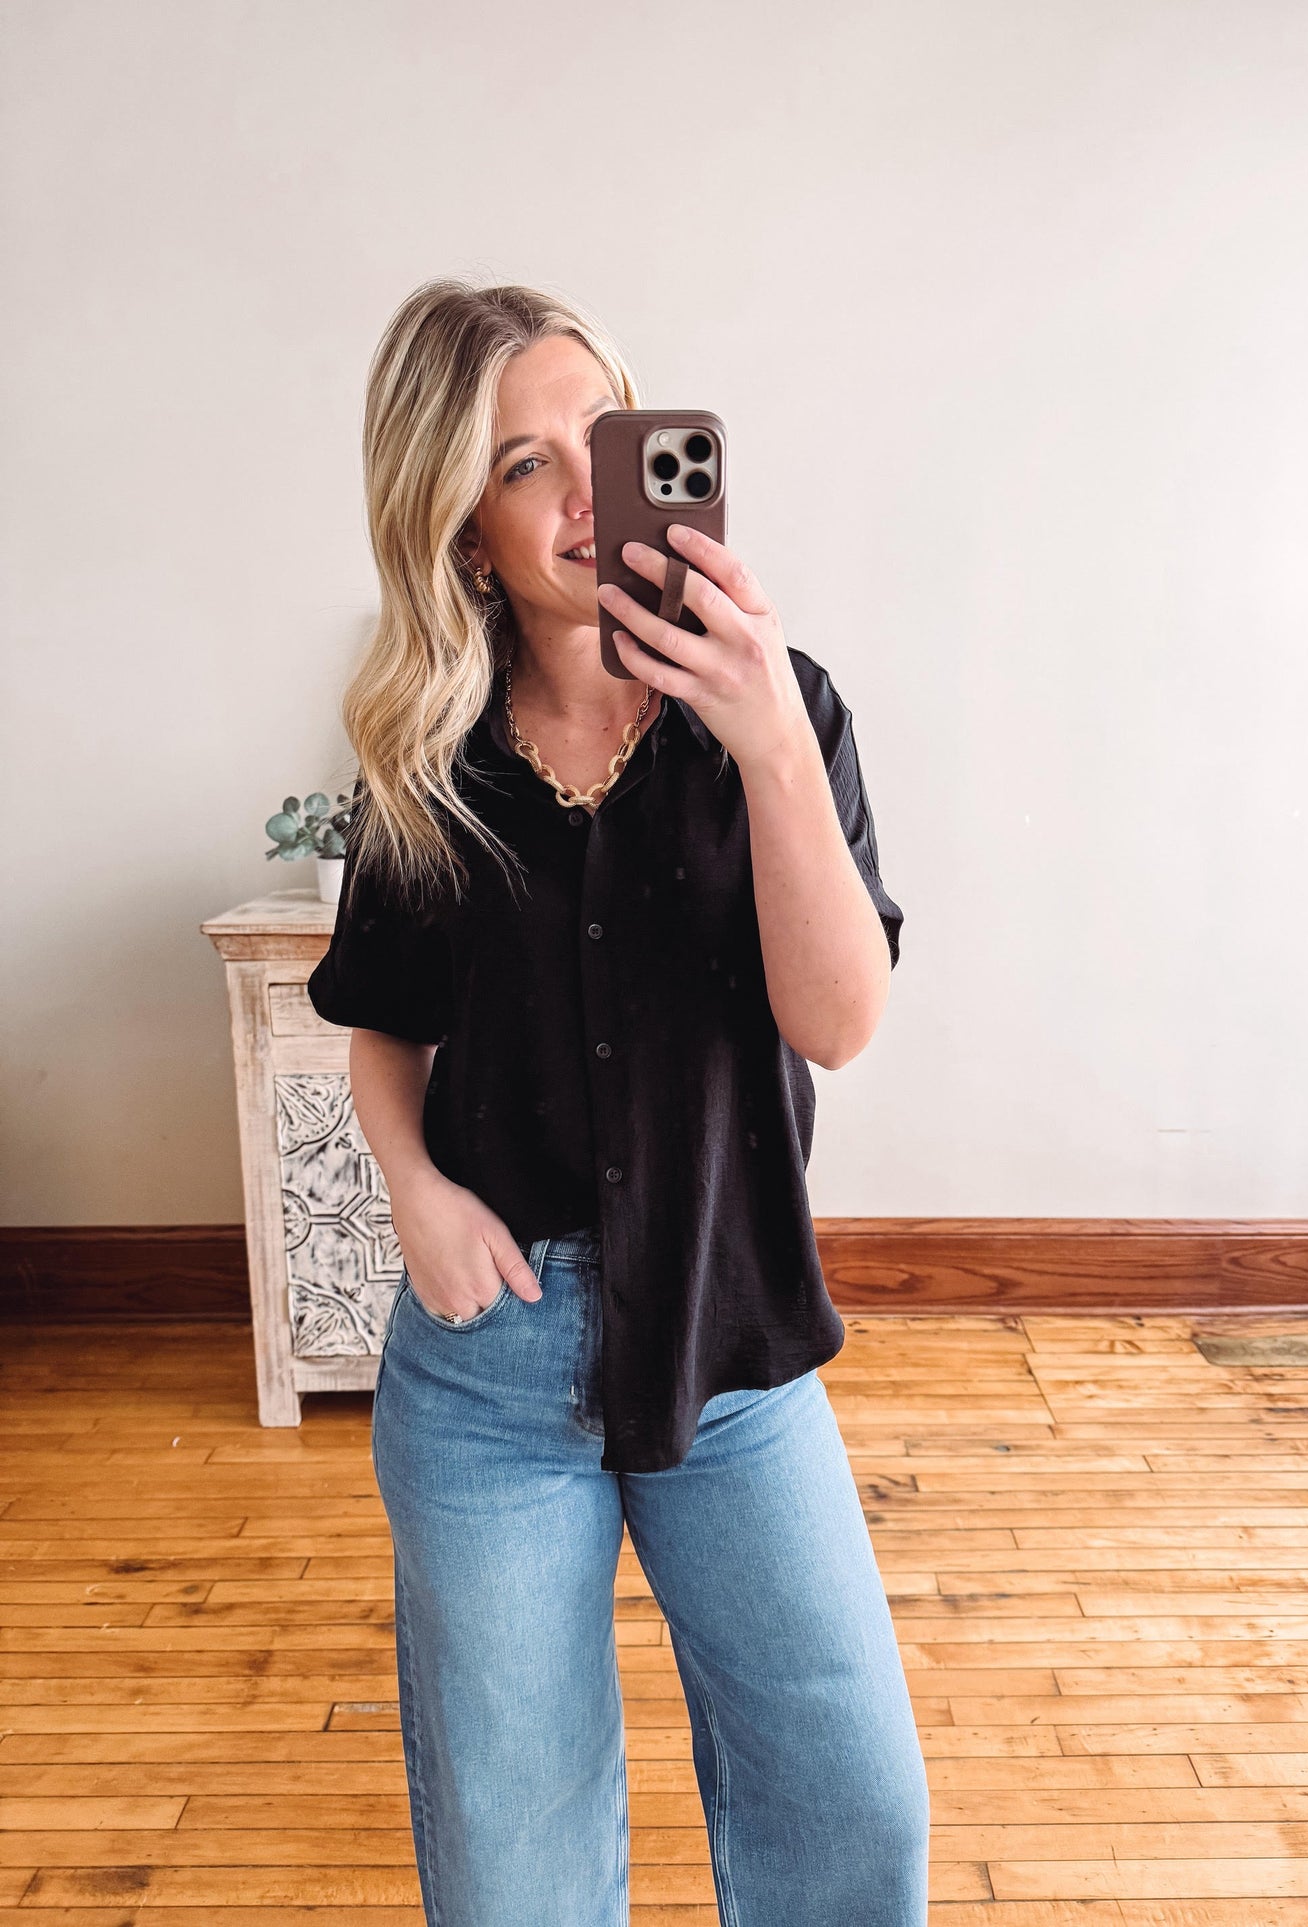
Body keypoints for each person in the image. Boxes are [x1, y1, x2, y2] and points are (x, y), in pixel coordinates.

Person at [307, 279, 928, 1926]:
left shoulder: (781, 712)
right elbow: (380, 1021)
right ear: (461, 531)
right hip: (491, 1371)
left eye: (602, 436)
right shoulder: (428, 759)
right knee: (514, 1861)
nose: (584, 492)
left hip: (733, 1342)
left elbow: (839, 1023)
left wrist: (772, 748)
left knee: (851, 1808)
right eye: (524, 465)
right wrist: (414, 1196)